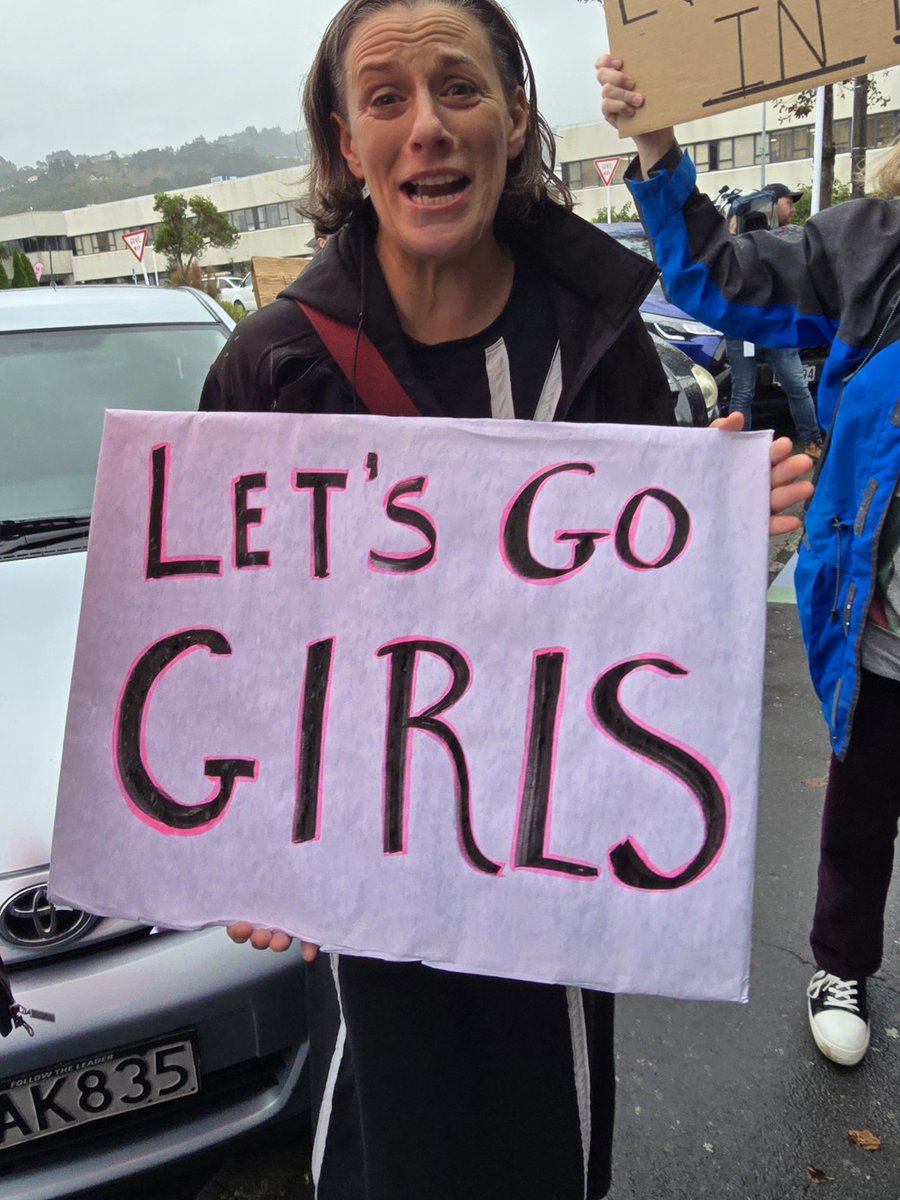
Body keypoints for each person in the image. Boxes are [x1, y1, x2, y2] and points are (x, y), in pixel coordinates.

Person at [199, 7, 811, 1197]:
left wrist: (724, 547)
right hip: (370, 906)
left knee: (542, 1157)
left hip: (555, 891)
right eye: (387, 98)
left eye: (460, 90)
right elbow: (234, 643)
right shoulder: (273, 372)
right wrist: (252, 842)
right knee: (395, 1154)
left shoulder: (603, 347)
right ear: (345, 142)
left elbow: (646, 640)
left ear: (515, 118)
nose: (427, 127)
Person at [597, 52, 900, 1069]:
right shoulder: (874, 253)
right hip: (887, 629)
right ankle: (841, 962)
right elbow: (721, 278)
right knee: (865, 804)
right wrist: (656, 143)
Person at [722, 182, 824, 460]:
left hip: (776, 328)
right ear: (771, 203)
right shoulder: (735, 241)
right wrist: (729, 235)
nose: (792, 207)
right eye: (788, 201)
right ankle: (738, 452)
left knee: (797, 386)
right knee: (743, 391)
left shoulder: (792, 237)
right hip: (743, 329)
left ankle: (812, 440)